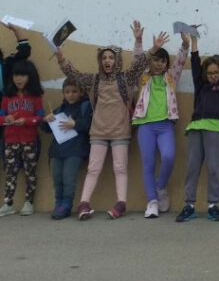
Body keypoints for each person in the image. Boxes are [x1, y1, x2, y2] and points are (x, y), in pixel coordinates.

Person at [57, 21, 163, 220]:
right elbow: (73, 74)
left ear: (117, 60)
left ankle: (121, 203)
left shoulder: (126, 79)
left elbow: (140, 65)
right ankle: (84, 204)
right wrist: (61, 58)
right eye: (104, 57)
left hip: (120, 132)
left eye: (111, 57)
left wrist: (148, 45)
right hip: (98, 132)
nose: (107, 61)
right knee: (93, 169)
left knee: (120, 168)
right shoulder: (93, 80)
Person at [176, 25, 219, 223]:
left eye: (216, 72)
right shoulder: (201, 85)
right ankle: (189, 205)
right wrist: (194, 41)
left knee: (214, 168)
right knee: (192, 167)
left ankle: (213, 205)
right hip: (196, 128)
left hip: (216, 129)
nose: (213, 75)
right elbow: (195, 63)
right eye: (210, 72)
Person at [132, 33, 189, 218]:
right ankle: (152, 201)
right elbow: (138, 62)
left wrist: (185, 45)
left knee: (169, 156)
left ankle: (161, 187)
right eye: (155, 60)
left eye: (163, 61)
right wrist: (139, 41)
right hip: (145, 125)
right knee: (148, 163)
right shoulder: (143, 77)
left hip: (165, 125)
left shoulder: (171, 77)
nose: (159, 64)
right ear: (150, 61)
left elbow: (180, 62)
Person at [0, 60, 46, 216]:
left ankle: (29, 202)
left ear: (30, 77)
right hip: (10, 141)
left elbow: (40, 118)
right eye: (16, 75)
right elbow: (0, 117)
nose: (18, 79)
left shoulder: (36, 97)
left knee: (29, 171)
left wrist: (26, 121)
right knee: (10, 172)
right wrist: (6, 119)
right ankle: (8, 203)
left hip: (29, 141)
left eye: (23, 75)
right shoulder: (7, 97)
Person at [44, 79, 93, 220]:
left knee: (68, 178)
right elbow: (47, 129)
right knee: (57, 178)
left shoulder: (86, 107)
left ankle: (66, 204)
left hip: (76, 150)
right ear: (63, 93)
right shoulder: (60, 109)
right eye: (67, 92)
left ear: (81, 92)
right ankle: (58, 203)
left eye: (74, 91)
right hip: (58, 150)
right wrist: (46, 121)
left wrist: (76, 124)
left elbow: (91, 125)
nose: (71, 95)